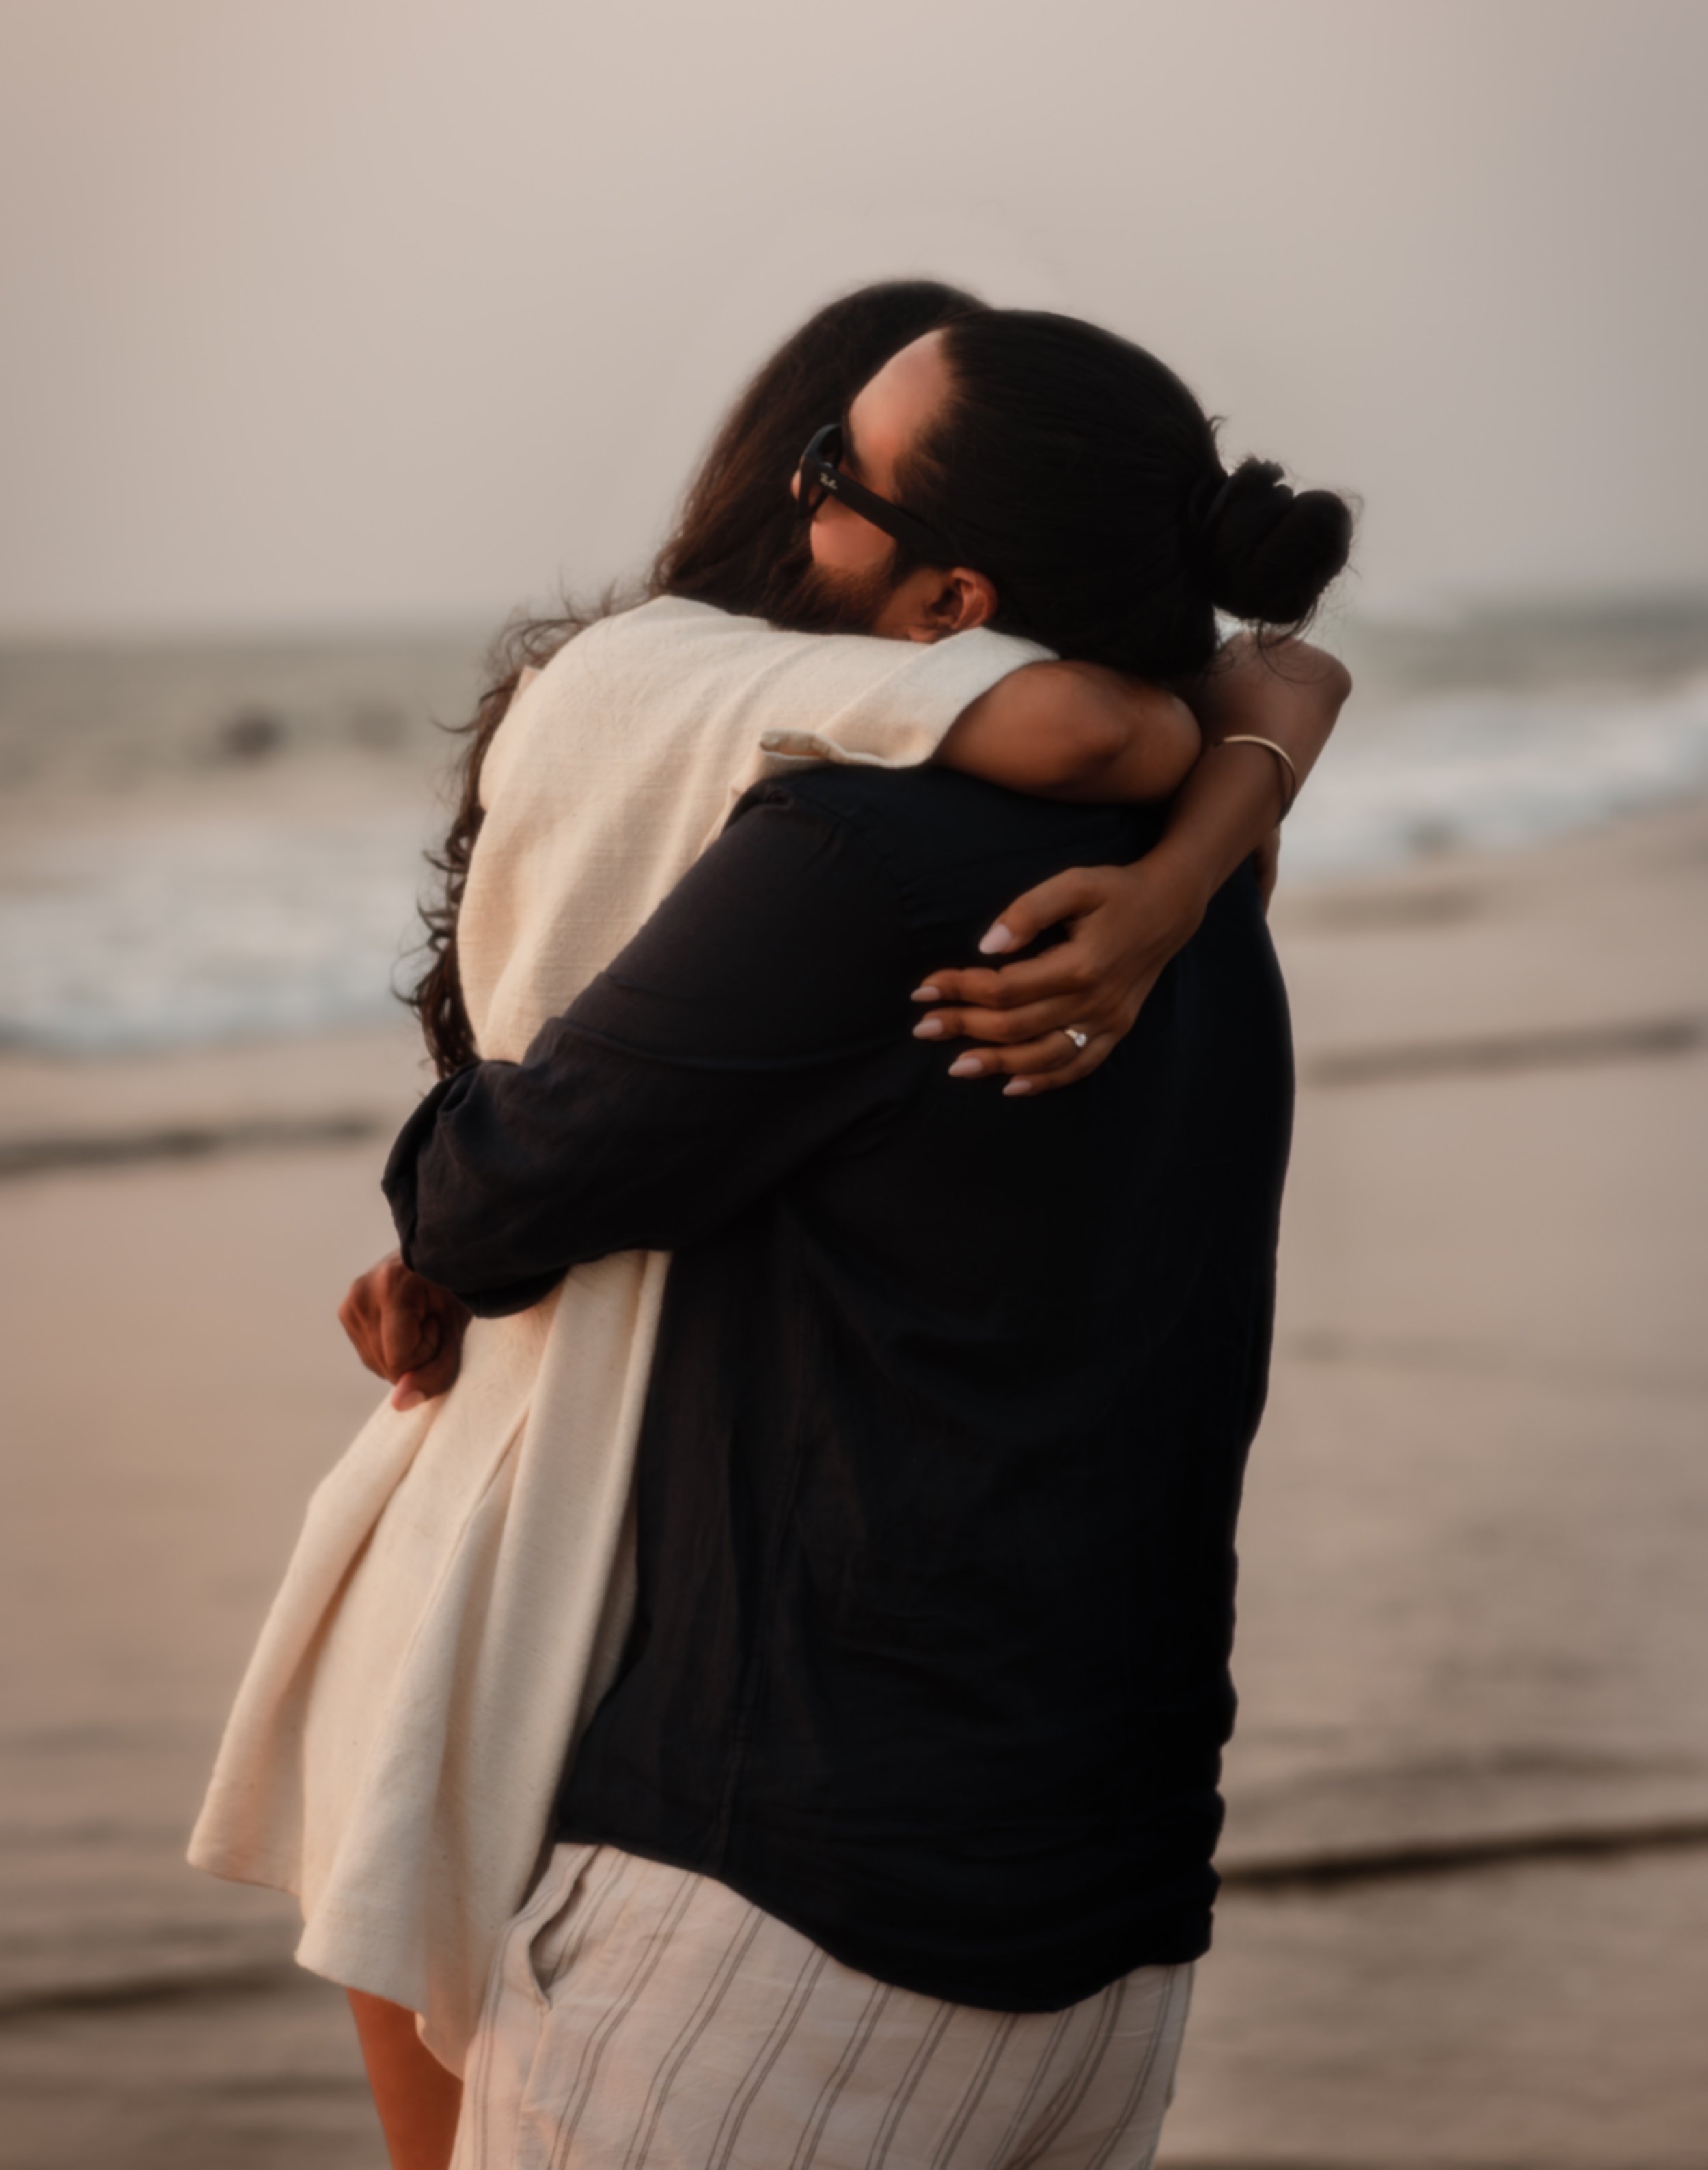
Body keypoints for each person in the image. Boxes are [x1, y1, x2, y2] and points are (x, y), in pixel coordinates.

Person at [366, 306, 1353, 2167]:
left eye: (831, 475)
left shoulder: (863, 856)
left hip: (785, 1930)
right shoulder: (1204, 900)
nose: (790, 503)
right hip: (1107, 1924)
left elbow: (490, 1199)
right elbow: (1283, 682)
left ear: (942, 598)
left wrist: (454, 1136)